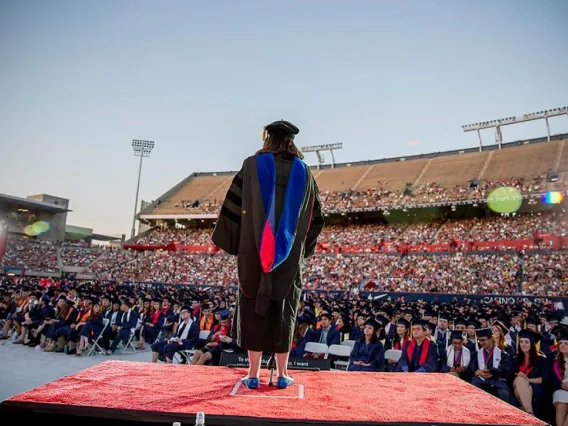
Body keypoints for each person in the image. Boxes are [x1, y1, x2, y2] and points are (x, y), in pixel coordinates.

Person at [212, 120, 324, 390]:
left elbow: (233, 210)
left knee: (253, 312)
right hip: (289, 259)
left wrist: (241, 244)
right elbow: (315, 219)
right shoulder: (304, 172)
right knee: (283, 313)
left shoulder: (251, 166)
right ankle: (283, 374)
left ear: (268, 139)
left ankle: (253, 374)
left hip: (254, 256)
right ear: (291, 141)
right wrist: (301, 249)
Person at [469, 328, 512, 403]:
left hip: (497, 380)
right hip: (481, 380)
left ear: (491, 339)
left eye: (483, 340)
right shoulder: (477, 354)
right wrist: (478, 372)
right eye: (479, 340)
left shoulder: (502, 354)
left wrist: (491, 372)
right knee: (474, 388)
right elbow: (472, 369)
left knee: (503, 393)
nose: (481, 343)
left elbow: (505, 371)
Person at [511, 329, 546, 417]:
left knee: (519, 386)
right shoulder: (515, 358)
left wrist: (527, 379)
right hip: (516, 382)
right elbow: (510, 376)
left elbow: (543, 379)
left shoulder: (541, 360)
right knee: (520, 379)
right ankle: (531, 414)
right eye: (521, 342)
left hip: (530, 388)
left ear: (532, 344)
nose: (523, 344)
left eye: (526, 342)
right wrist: (521, 377)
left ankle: (527, 412)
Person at [552, 332, 568, 426]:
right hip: (561, 389)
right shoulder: (554, 361)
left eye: (566, 343)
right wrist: (564, 385)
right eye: (561, 343)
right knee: (561, 405)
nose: (562, 345)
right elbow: (552, 380)